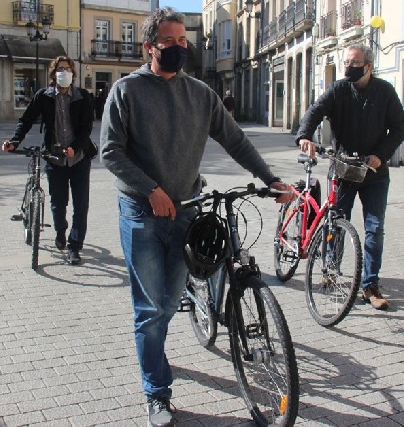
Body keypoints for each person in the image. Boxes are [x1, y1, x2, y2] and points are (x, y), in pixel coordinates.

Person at [99, 7, 293, 427]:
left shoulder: (200, 94)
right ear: (150, 46)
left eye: (183, 41)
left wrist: (270, 178)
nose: (179, 49)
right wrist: (150, 190)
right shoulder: (127, 91)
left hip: (186, 210)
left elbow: (235, 140)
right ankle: (157, 393)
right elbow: (110, 152)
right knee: (151, 310)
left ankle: (155, 350)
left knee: (170, 302)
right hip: (142, 212)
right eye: (170, 42)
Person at [295, 43, 404, 310]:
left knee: (375, 229)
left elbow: (399, 128)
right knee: (336, 225)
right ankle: (331, 271)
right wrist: (304, 135)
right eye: (346, 62)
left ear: (368, 66)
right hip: (343, 170)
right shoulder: (338, 90)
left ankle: (370, 285)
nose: (348, 67)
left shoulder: (385, 92)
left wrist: (381, 154)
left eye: (354, 63)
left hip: (374, 173)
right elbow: (315, 110)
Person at [2, 55, 95, 265]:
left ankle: (75, 246)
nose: (64, 72)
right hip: (54, 158)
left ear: (73, 73)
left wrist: (75, 148)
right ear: (53, 74)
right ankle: (60, 232)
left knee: (81, 205)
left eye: (68, 69)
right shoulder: (44, 96)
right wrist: (14, 141)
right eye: (60, 69)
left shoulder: (82, 97)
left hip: (79, 158)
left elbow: (86, 128)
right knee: (58, 202)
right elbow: (25, 120)